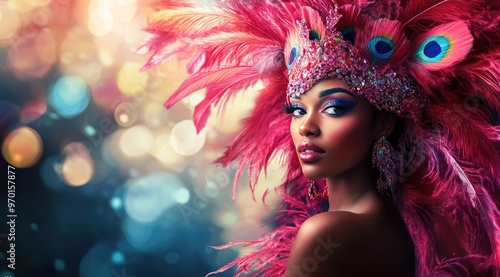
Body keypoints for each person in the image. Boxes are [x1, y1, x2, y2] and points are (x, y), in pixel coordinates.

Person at [141, 0, 500, 276]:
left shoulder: (329, 231)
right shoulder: (387, 225)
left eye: (334, 108)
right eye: (297, 110)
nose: (306, 127)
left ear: (383, 123)